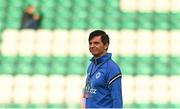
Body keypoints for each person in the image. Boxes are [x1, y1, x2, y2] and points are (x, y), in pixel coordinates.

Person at [83, 30, 123, 108]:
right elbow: (88, 91)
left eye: (96, 43)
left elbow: (117, 100)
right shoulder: (91, 65)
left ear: (106, 45)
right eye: (90, 43)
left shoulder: (112, 68)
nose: (92, 46)